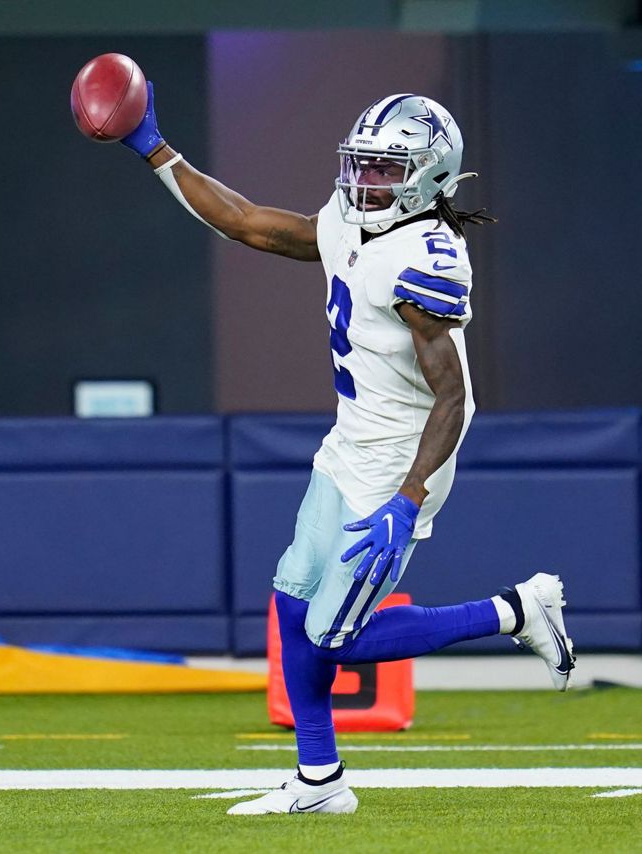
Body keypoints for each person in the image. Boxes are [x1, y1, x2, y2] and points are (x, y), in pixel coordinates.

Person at [112, 88, 574, 814]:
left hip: (400, 459)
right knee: (293, 604)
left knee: (337, 637)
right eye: (362, 163)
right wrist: (154, 149)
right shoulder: (348, 223)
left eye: (386, 169)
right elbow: (248, 224)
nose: (366, 180)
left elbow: (455, 398)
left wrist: (410, 495)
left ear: (430, 177)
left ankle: (517, 610)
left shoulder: (427, 258)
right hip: (349, 440)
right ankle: (320, 781)